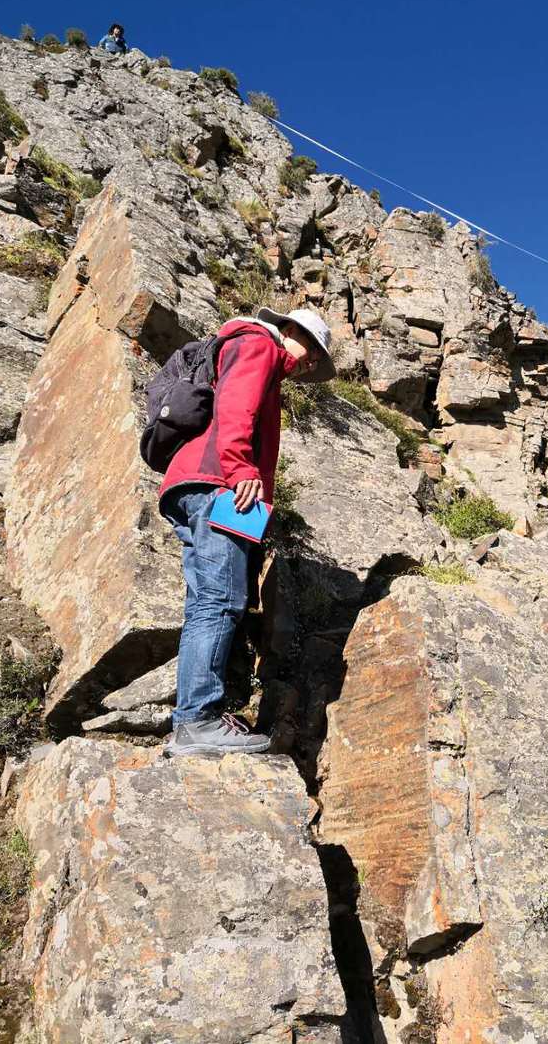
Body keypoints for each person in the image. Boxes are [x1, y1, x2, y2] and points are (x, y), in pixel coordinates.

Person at [160, 307, 336, 758]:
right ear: (290, 330)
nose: (313, 362)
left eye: (319, 359)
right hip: (219, 484)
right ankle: (197, 721)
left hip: (195, 485)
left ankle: (195, 718)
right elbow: (236, 404)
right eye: (313, 349)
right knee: (220, 600)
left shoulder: (253, 352)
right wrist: (240, 469)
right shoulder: (259, 344)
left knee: (206, 602)